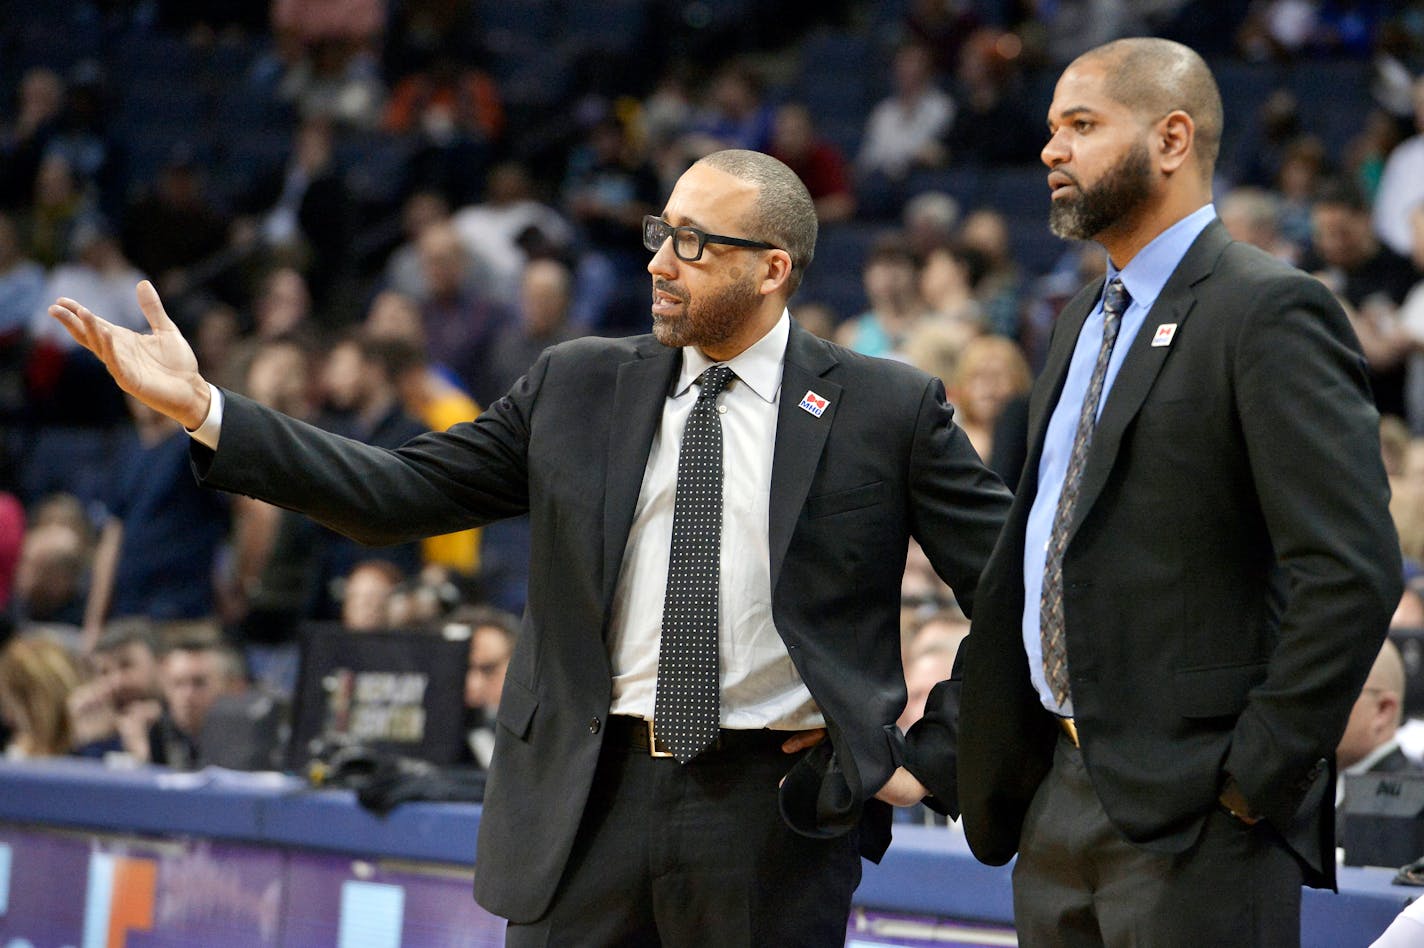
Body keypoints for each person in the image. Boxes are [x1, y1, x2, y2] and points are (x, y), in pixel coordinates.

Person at [48, 148, 1012, 945]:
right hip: (584, 799)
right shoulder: (577, 384)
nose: (659, 263)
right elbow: (397, 492)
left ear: (774, 269)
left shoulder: (884, 408)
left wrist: (935, 757)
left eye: (693, 244)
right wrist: (207, 410)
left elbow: (1013, 588)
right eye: (658, 234)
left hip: (770, 810)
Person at [910, 38, 1402, 945]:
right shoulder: (1076, 322)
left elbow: (1352, 569)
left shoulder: (1267, 308)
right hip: (1054, 798)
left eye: (1082, 126)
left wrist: (1252, 780)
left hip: (1195, 815)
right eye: (1052, 129)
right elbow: (1042, 559)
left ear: (1172, 139)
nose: (1052, 150)